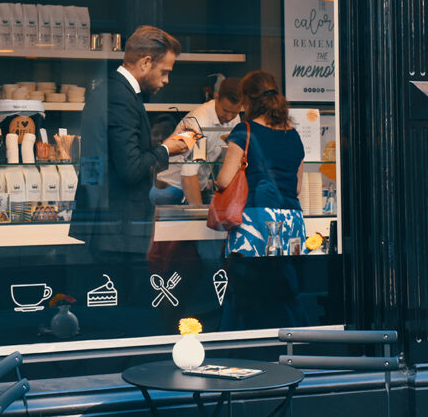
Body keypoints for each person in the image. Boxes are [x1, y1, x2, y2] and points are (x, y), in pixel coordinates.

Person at [71, 26, 190, 256]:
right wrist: (167, 149)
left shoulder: (114, 91)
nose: (166, 80)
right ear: (145, 62)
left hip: (110, 228)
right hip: (117, 231)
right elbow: (130, 168)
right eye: (164, 71)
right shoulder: (121, 98)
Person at [215, 70, 309, 329]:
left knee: (247, 293)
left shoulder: (244, 130)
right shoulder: (294, 135)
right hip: (291, 223)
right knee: (283, 292)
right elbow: (298, 187)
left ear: (248, 100)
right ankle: (289, 345)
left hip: (256, 222)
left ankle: (242, 345)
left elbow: (224, 180)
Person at [152, 78, 243, 206]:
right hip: (170, 188)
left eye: (234, 112)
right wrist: (198, 212)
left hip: (198, 186)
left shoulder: (235, 120)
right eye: (226, 111)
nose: (229, 117)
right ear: (216, 98)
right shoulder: (197, 121)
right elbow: (188, 174)